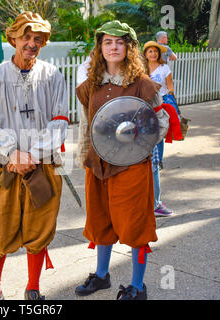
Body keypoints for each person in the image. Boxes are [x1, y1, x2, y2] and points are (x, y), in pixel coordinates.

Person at [0, 12, 69, 300]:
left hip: (43, 167)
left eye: (37, 39)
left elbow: (60, 120)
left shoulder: (53, 76)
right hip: (4, 168)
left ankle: (33, 289)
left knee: (39, 228)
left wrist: (34, 155)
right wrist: (12, 152)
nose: (31, 44)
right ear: (13, 38)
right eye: (26, 37)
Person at [74, 20, 169, 300]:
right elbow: (85, 125)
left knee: (136, 225)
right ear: (100, 48)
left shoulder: (144, 85)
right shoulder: (90, 85)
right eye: (107, 42)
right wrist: (84, 157)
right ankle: (102, 276)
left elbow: (160, 123)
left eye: (119, 42)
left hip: (132, 167)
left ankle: (137, 287)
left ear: (129, 48)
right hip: (98, 165)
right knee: (100, 221)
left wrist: (138, 147)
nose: (113, 47)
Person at [142, 40, 182, 217]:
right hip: (143, 113)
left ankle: (155, 202)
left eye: (155, 51)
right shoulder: (140, 70)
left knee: (155, 159)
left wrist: (171, 105)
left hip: (159, 110)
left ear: (159, 53)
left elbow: (170, 87)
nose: (152, 54)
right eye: (149, 51)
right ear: (145, 54)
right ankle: (150, 202)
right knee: (145, 160)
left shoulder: (164, 69)